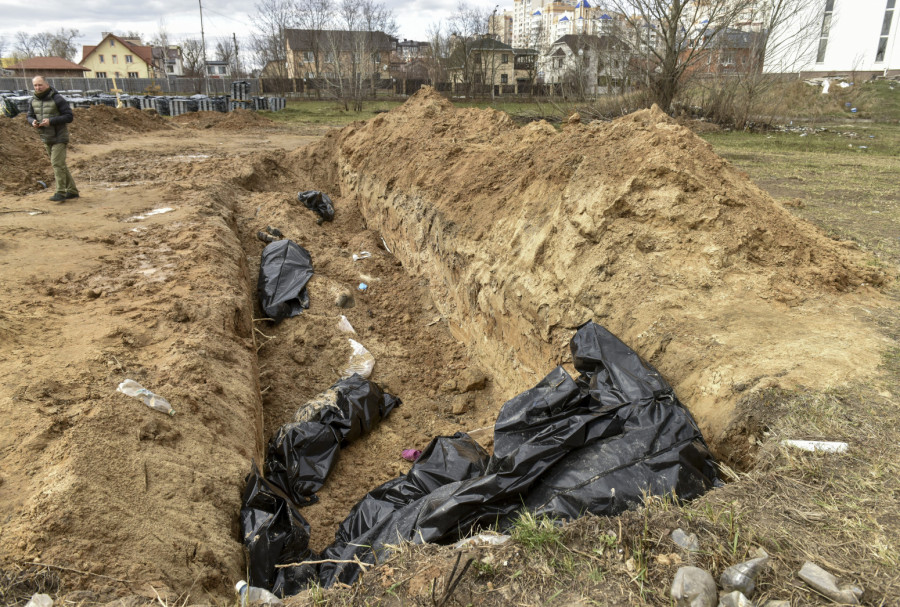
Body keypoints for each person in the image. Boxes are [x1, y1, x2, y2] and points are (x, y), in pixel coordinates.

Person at [26, 76, 79, 202]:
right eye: (35, 85)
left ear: (47, 84)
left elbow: (69, 116)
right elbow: (29, 116)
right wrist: (32, 121)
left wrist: (51, 121)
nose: (38, 87)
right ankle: (72, 191)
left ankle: (60, 192)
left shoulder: (57, 98)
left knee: (57, 164)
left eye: (40, 85)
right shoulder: (33, 100)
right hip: (46, 137)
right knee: (60, 165)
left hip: (60, 136)